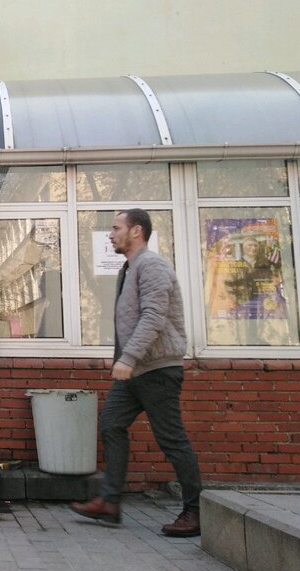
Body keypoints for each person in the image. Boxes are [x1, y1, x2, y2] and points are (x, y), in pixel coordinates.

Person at [70, 208, 202, 537]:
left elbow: (154, 316)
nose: (110, 234)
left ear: (136, 231)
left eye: (116, 228)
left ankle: (196, 510)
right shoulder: (128, 269)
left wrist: (127, 358)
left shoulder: (152, 266)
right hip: (135, 371)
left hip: (157, 369)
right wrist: (123, 360)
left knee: (171, 440)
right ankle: (110, 502)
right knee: (111, 424)